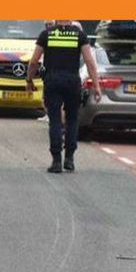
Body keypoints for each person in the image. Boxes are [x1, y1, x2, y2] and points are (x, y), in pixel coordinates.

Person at [27, 20, 101, 173]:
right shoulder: (79, 35)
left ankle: (56, 161)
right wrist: (96, 84)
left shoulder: (46, 34)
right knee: (72, 120)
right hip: (72, 82)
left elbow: (34, 61)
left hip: (52, 81)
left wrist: (29, 80)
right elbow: (89, 61)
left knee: (54, 120)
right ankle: (69, 158)